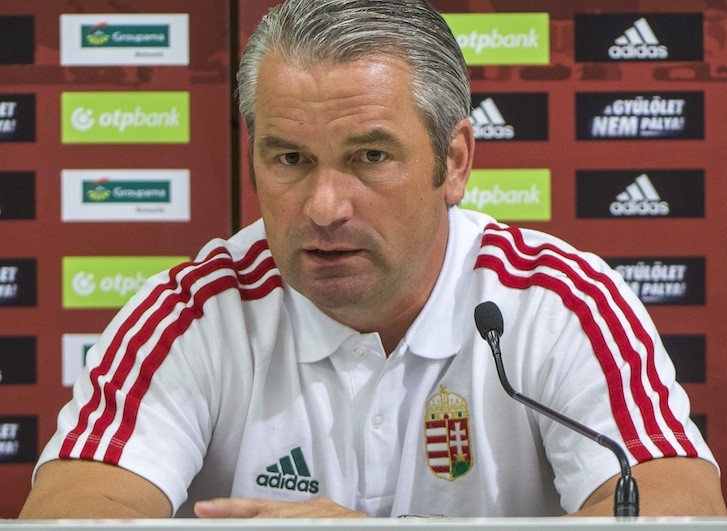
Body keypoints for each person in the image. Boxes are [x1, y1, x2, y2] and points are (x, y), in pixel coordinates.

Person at [21, 0, 726, 519]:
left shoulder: (555, 300)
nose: (325, 205)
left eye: (369, 156)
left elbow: (676, 510)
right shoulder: (193, 312)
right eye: (290, 159)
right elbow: (73, 515)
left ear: (454, 161)